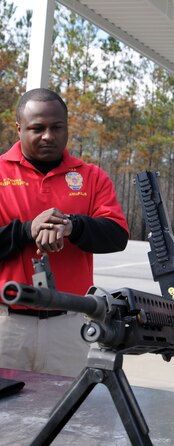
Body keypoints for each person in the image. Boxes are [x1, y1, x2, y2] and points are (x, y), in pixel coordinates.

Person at [0, 88, 129, 377]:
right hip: (7, 323)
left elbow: (117, 235)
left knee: (68, 417)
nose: (48, 136)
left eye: (57, 127)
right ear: (19, 128)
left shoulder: (91, 177)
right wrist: (26, 230)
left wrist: (72, 226)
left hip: (69, 324)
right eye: (37, 128)